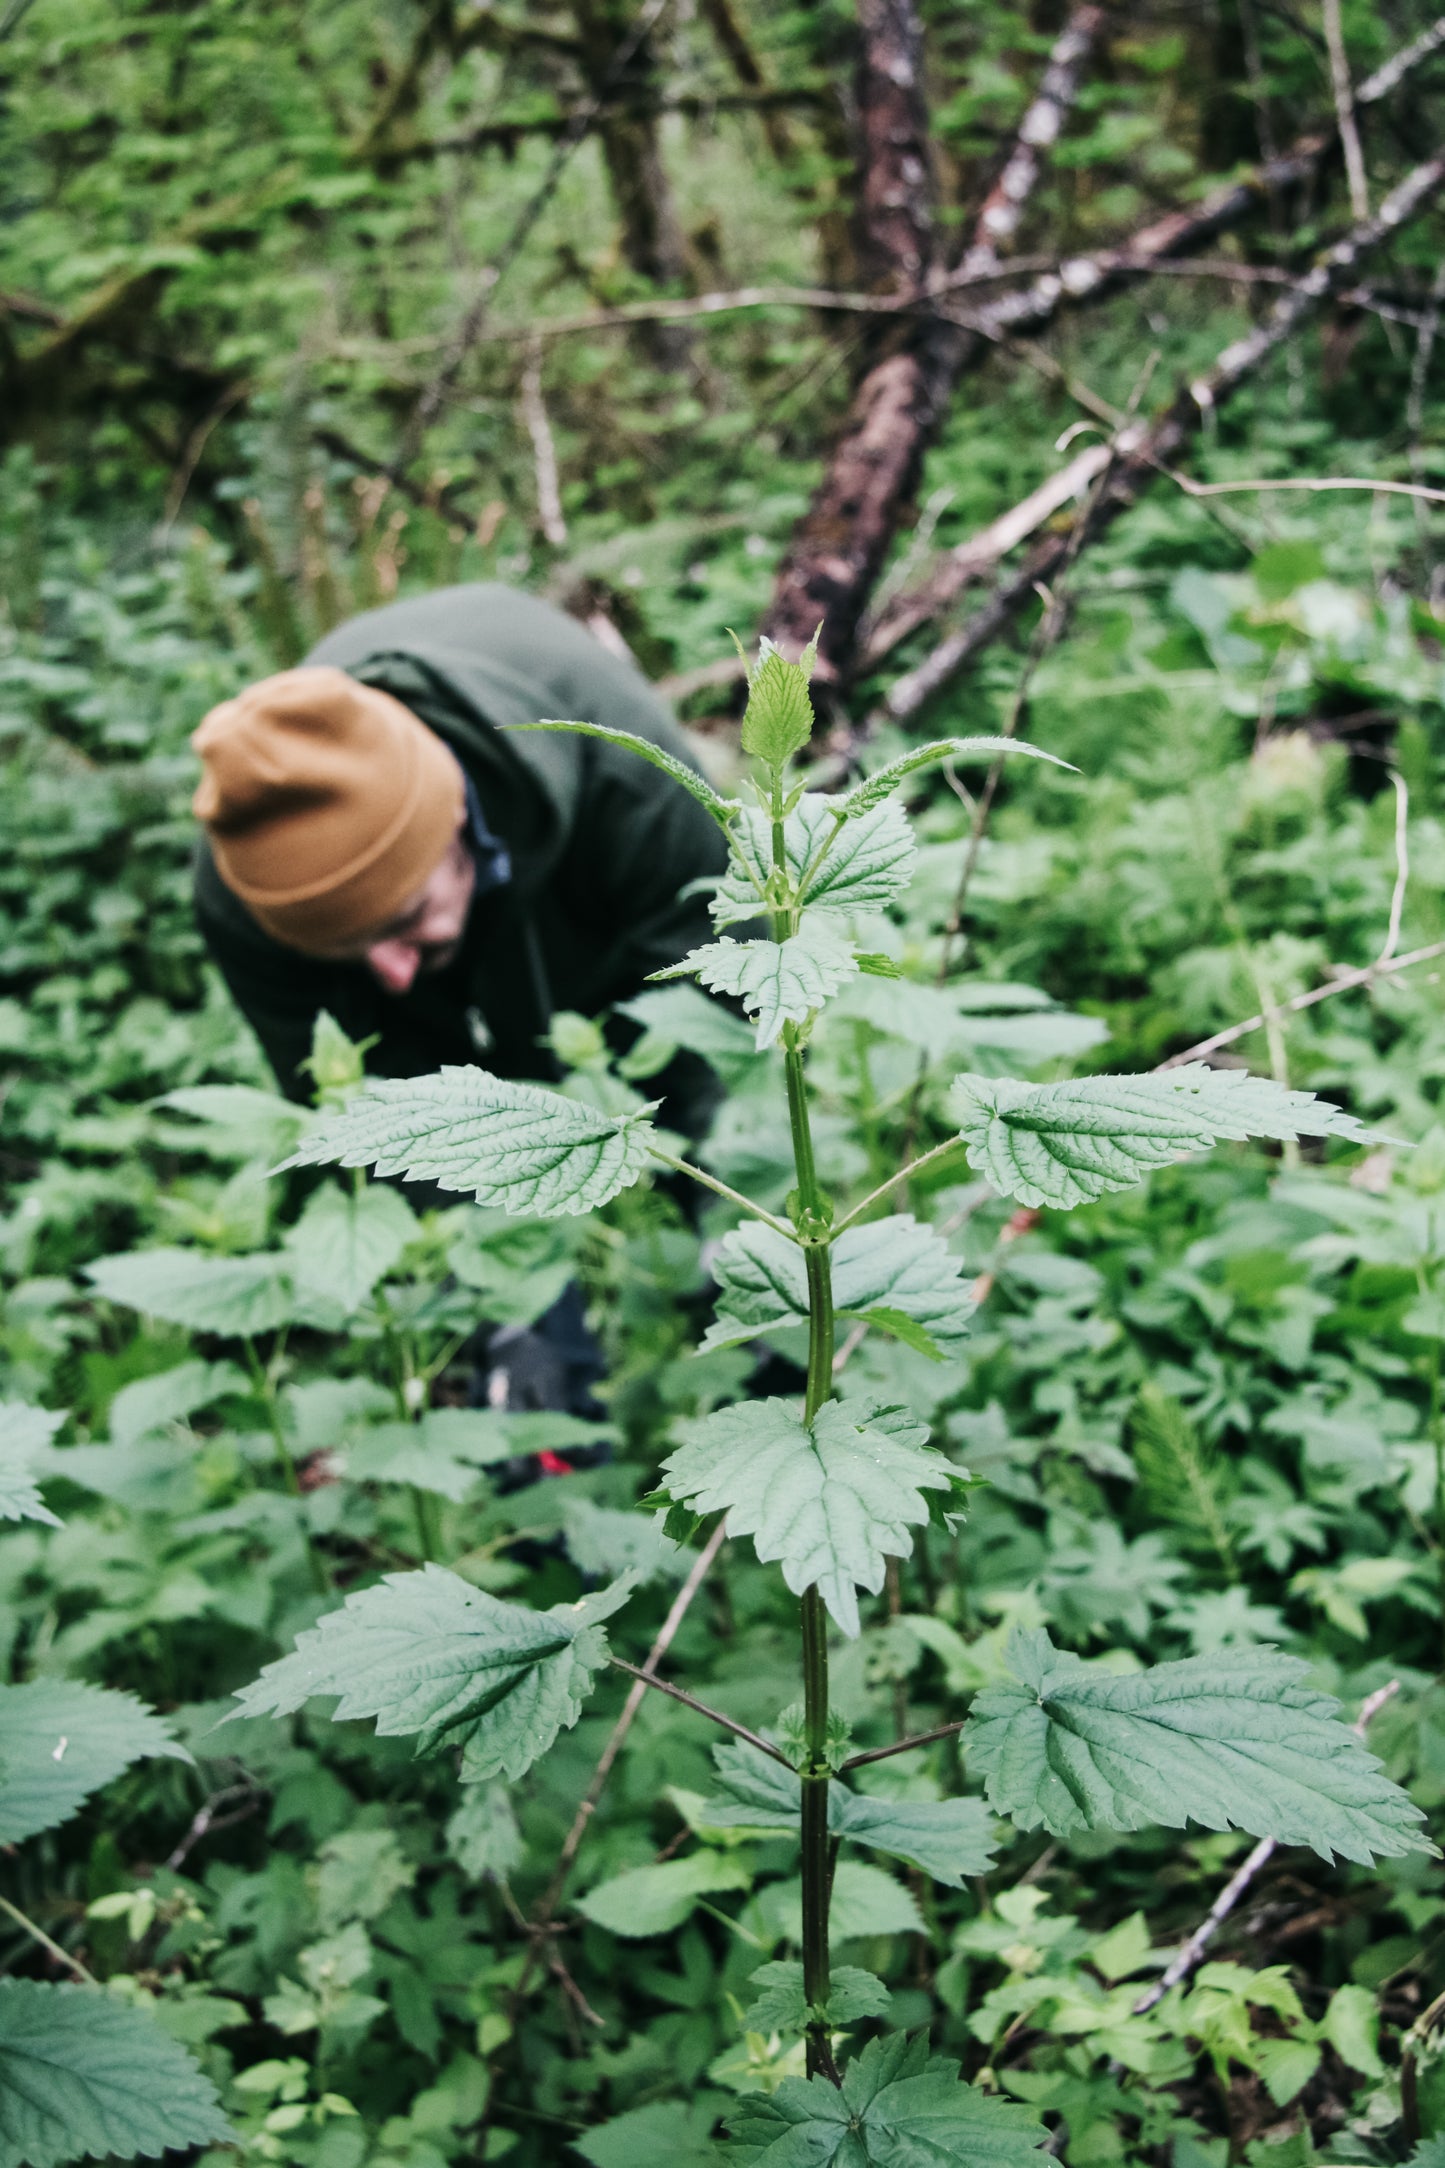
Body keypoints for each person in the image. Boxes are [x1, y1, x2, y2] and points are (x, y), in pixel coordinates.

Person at [190, 581, 730, 1429]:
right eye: (348, 951)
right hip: (478, 967)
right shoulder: (250, 891)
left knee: (712, 1221)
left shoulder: (626, 768)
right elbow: (362, 1114)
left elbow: (709, 988)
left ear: (452, 824)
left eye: (404, 922)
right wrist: (508, 1295)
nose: (394, 976)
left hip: (595, 946)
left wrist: (667, 1178)